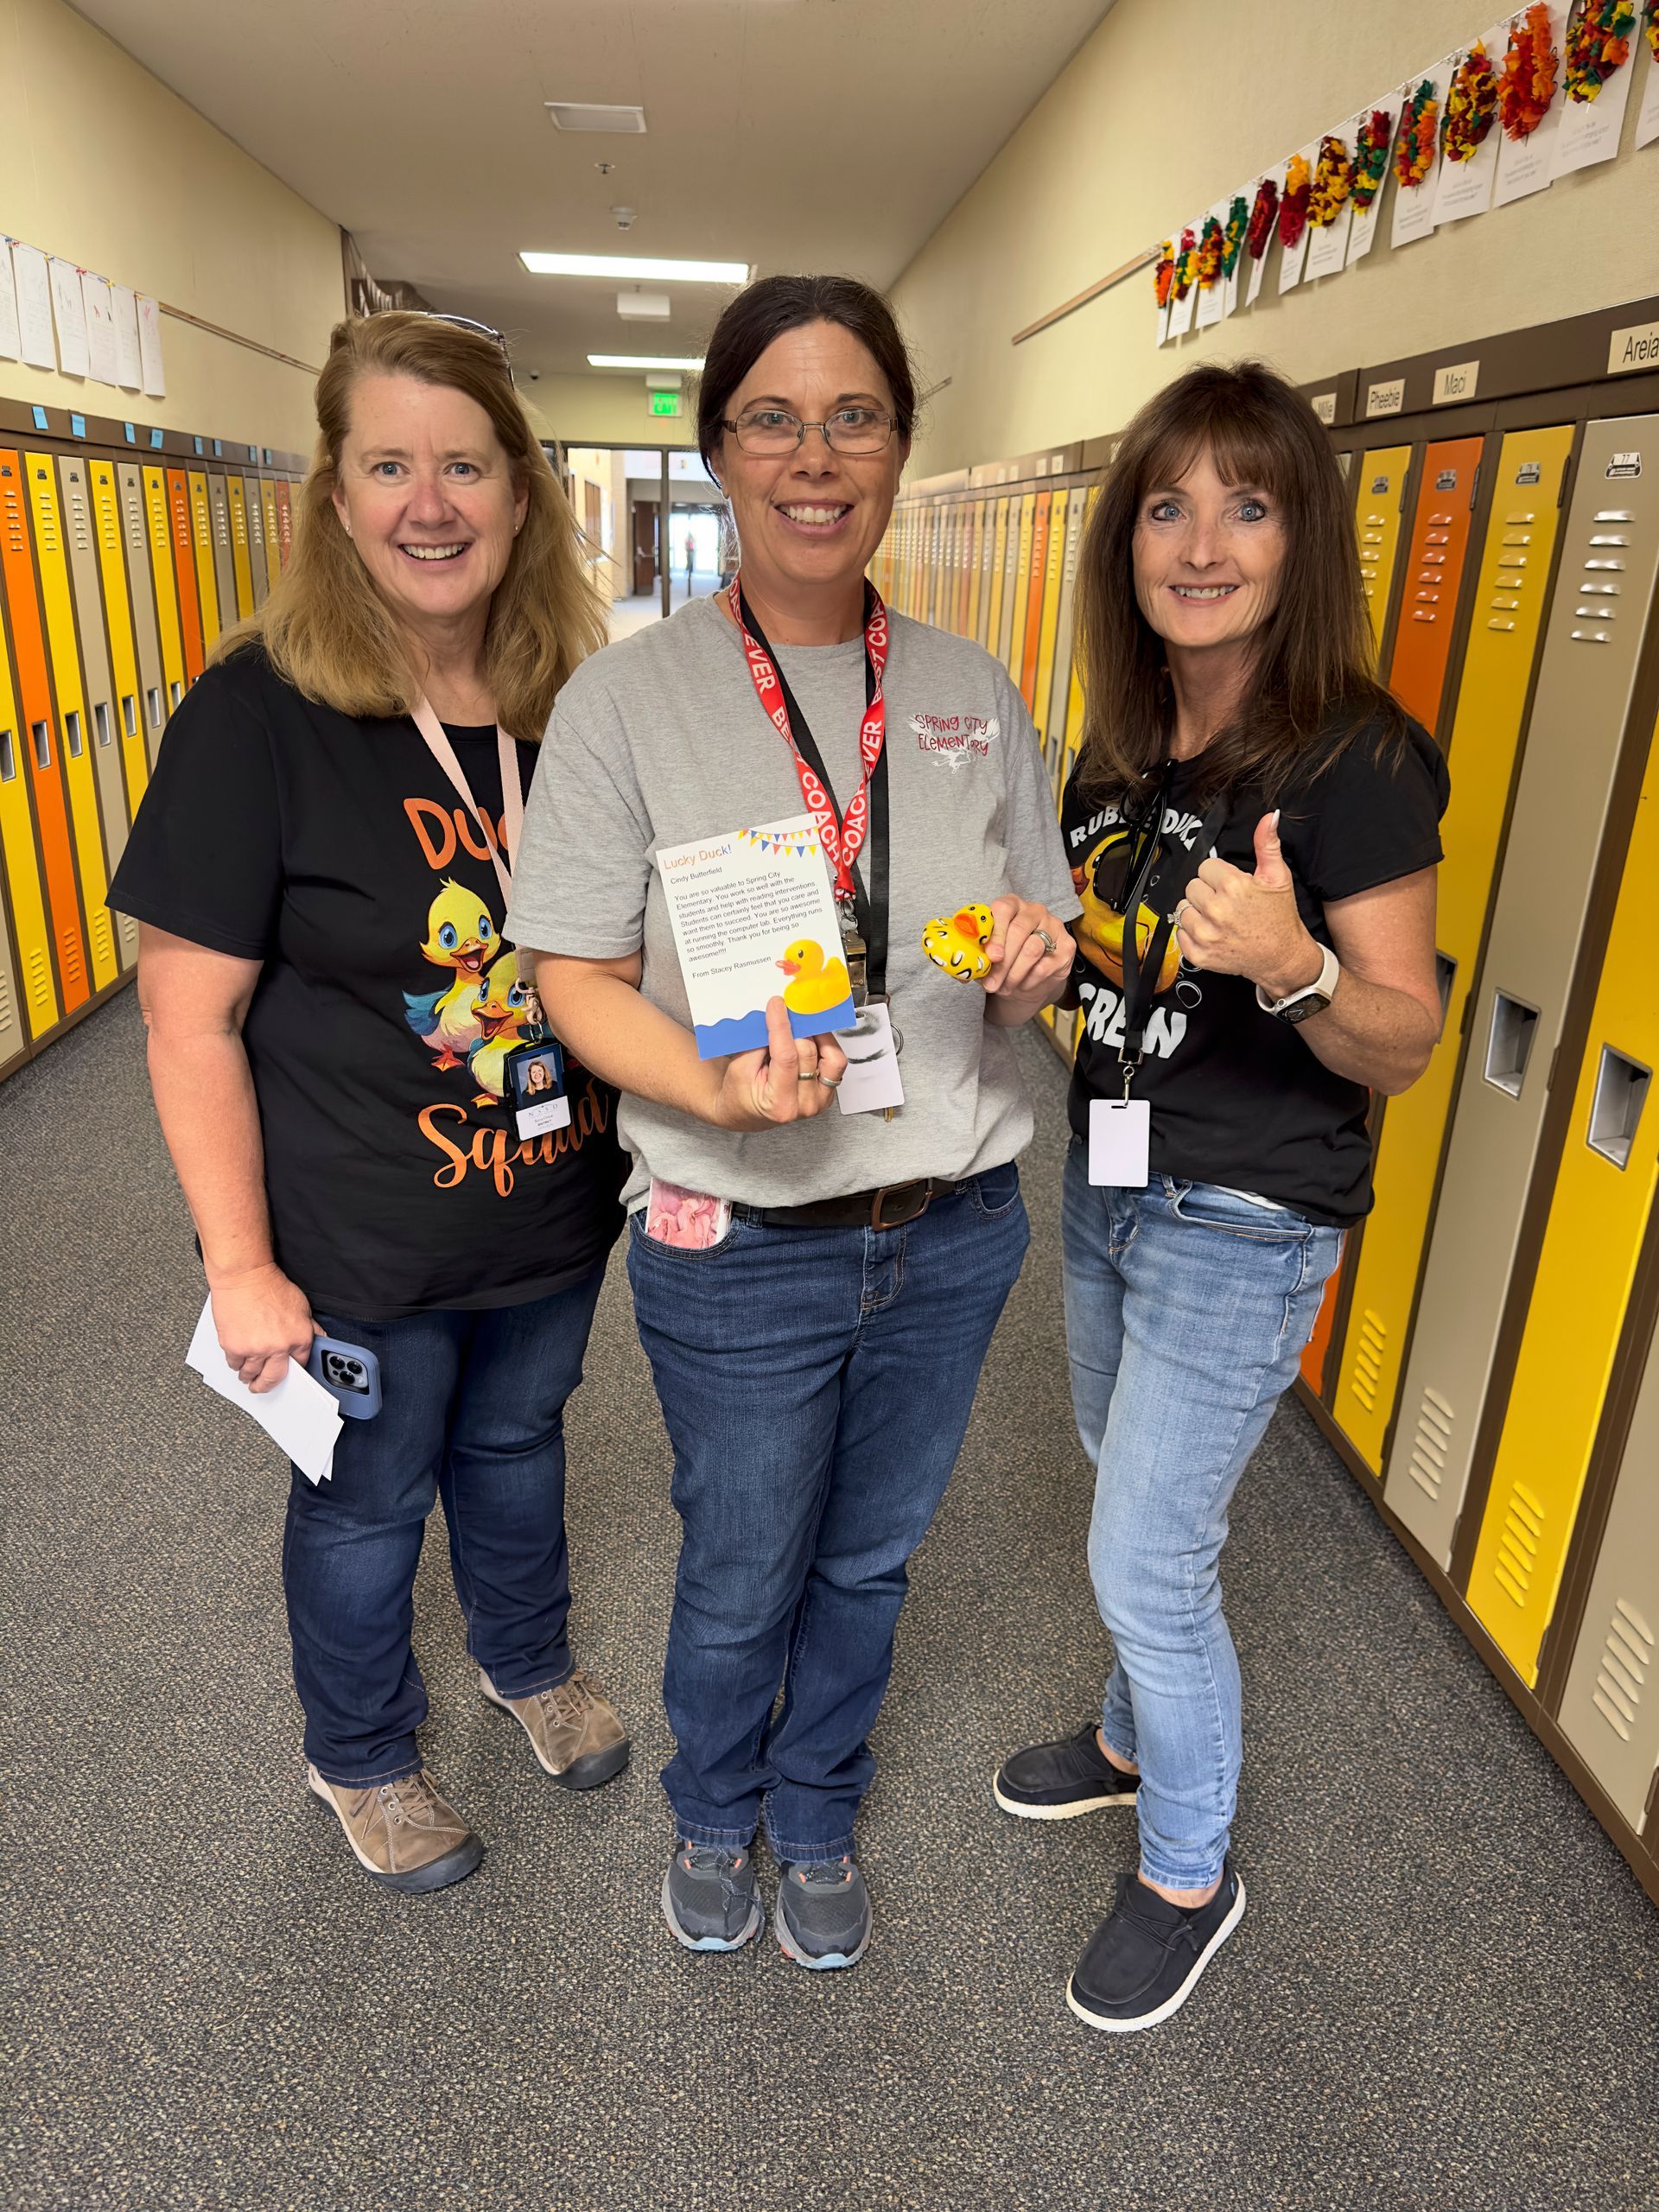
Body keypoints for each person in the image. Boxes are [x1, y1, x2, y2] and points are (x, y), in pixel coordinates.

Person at [508, 274, 1079, 1968]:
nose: (814, 454)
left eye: (856, 416)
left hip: (953, 1225)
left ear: (901, 446)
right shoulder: (632, 699)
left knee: (872, 1558)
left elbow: (1026, 934)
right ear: (720, 446)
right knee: (746, 1556)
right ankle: (716, 1803)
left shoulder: (972, 685)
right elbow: (576, 974)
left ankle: (817, 1805)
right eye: (773, 415)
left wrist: (1038, 962)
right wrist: (711, 1082)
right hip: (737, 1233)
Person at [109, 312, 631, 1896]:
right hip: (354, 1234)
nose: (431, 502)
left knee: (522, 1445)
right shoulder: (256, 715)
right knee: (364, 1503)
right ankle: (361, 1755)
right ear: (336, 498)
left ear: (520, 496)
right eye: (389, 464)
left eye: (464, 465)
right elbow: (186, 1020)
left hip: (549, 1201)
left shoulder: (569, 706)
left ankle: (522, 1659)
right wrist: (237, 1263)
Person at [993, 360, 1446, 2031]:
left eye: (1246, 506)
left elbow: (1399, 1040)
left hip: (1244, 1218)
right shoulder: (1123, 747)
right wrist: (1046, 955)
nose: (1202, 542)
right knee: (1133, 1499)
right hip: (1116, 1177)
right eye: (1168, 505)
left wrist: (1301, 960)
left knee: (1147, 1555)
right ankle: (1128, 1737)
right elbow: (1128, 963)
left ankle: (1192, 1863)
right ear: (1127, 539)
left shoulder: (1353, 761)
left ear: (1297, 534)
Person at [683, 528, 696, 594]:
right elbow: (685, 545)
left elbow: (694, 541)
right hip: (688, 551)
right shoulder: (686, 539)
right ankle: (686, 572)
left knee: (691, 563)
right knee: (689, 562)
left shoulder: (691, 539)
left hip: (692, 551)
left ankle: (690, 573)